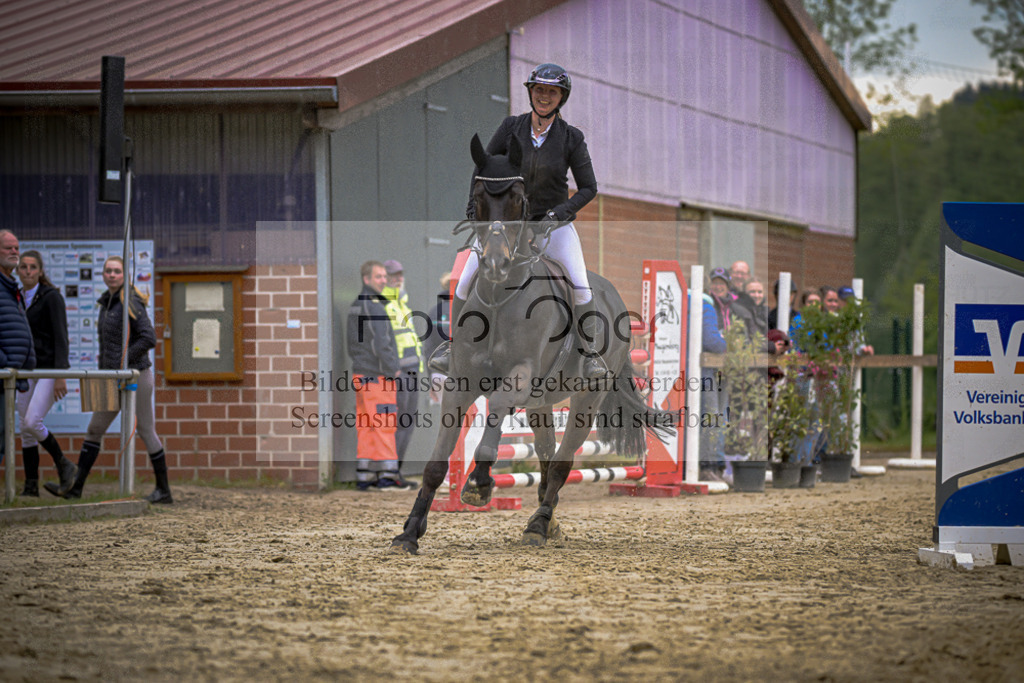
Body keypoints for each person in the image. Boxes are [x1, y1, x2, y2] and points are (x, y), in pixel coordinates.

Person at [428, 63, 609, 380]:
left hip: (553, 226)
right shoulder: (511, 127)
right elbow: (483, 165)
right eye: (539, 90)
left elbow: (589, 188)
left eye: (551, 92)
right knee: (465, 279)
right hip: (506, 223)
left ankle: (589, 355)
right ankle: (452, 348)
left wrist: (558, 214)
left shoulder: (571, 138)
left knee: (580, 284)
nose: (544, 96)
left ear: (561, 97)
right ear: (530, 92)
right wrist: (475, 208)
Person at [44, 256, 172, 503]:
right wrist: (112, 368)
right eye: (108, 271)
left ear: (124, 275)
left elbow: (148, 338)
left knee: (146, 430)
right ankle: (76, 489)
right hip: (111, 378)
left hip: (136, 376)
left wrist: (125, 361)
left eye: (117, 271)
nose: (112, 275)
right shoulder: (107, 303)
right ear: (103, 275)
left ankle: (164, 491)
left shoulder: (131, 301)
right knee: (94, 429)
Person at [16, 250, 78, 497]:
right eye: (23, 267)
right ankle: (31, 486)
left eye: (33, 267)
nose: (28, 271)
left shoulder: (52, 297)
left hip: (49, 369)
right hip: (24, 370)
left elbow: (61, 337)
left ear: (40, 271)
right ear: (18, 271)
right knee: (25, 428)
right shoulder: (16, 297)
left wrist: (61, 374)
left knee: (33, 421)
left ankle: (64, 463)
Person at [346, 261, 412, 491]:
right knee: (385, 425)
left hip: (361, 374)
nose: (383, 280)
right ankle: (387, 476)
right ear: (366, 279)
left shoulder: (356, 305)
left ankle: (364, 476)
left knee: (366, 425)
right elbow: (381, 343)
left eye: (385, 276)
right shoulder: (374, 307)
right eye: (378, 277)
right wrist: (393, 368)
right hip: (377, 376)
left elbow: (352, 345)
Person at [381, 259, 423, 488]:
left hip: (412, 372)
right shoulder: (385, 304)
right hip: (399, 374)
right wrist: (392, 369)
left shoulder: (402, 304)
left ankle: (396, 471)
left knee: (407, 423)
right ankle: (389, 473)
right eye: (392, 275)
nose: (398, 278)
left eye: (400, 274)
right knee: (396, 424)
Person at [0, 230, 36, 469]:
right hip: (2, 374)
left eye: (16, 247)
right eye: (8, 248)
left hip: (9, 378)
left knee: (3, 437)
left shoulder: (11, 286)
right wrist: (3, 362)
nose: (14, 252)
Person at [422, 271, 452, 406]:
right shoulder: (464, 310)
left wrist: (430, 380)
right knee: (465, 419)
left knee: (446, 416)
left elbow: (428, 349)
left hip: (437, 373)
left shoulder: (434, 312)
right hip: (457, 372)